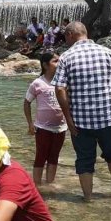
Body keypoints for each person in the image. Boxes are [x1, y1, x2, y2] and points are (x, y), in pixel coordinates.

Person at [52, 22, 111, 201]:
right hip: (107, 118)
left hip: (80, 122)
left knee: (85, 160)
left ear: (71, 35)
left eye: (65, 36)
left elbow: (60, 89)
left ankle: (88, 197)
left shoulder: (66, 57)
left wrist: (68, 119)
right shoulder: (108, 53)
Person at [23, 53, 67, 186]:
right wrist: (30, 124)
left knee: (54, 157)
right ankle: (36, 186)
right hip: (42, 127)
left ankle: (50, 184)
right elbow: (27, 102)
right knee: (41, 156)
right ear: (45, 65)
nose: (59, 63)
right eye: (55, 61)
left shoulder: (63, 82)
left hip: (61, 127)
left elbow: (68, 102)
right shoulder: (38, 83)